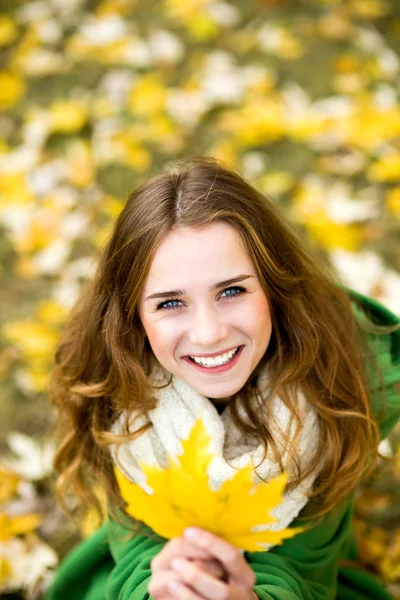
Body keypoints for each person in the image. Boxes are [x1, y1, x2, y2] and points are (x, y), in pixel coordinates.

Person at [45, 156, 400, 600]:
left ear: (274, 287)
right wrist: (161, 589)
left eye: (232, 291)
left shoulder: (333, 386)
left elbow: (308, 564)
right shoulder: (119, 392)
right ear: (131, 316)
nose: (209, 333)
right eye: (170, 303)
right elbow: (136, 544)